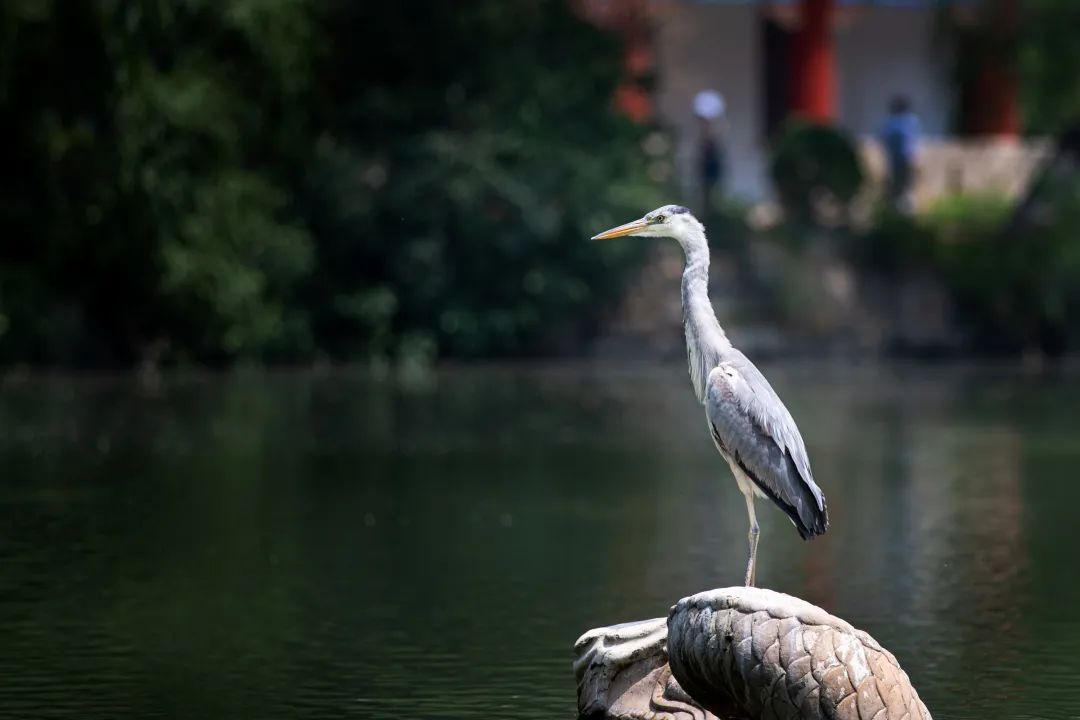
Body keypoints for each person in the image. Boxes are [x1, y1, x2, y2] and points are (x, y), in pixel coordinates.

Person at [880, 95, 920, 212]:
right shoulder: (894, 121)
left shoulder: (907, 121)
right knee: (896, 186)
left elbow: (911, 142)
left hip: (904, 160)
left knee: (905, 186)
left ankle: (904, 210)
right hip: (896, 160)